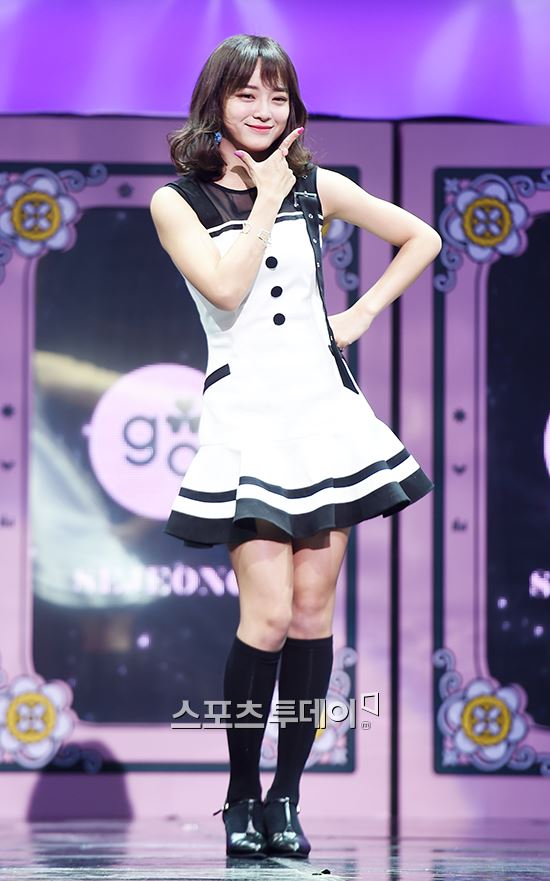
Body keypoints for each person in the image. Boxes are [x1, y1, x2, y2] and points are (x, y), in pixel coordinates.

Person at [150, 34, 441, 859]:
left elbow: (422, 237)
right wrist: (268, 198)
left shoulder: (317, 184)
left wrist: (360, 314)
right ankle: (241, 794)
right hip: (247, 415)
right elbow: (225, 288)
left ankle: (286, 798)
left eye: (277, 97)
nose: (263, 110)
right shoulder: (179, 201)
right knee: (268, 613)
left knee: (314, 613)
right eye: (247, 94)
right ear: (217, 102)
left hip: (322, 412)